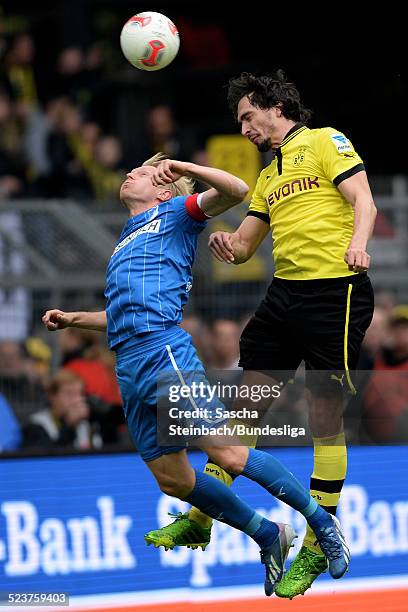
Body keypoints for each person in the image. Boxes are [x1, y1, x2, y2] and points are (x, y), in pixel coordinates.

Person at [42, 153, 350, 597]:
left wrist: (186, 168)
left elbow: (237, 191)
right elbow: (124, 313)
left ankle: (321, 523)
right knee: (174, 479)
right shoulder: (127, 238)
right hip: (127, 360)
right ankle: (268, 533)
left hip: (162, 352)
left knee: (227, 451)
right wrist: (74, 319)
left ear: (164, 189)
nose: (131, 173)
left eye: (143, 173)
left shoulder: (174, 213)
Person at [151, 71, 376, 599]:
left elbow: (363, 200)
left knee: (324, 416)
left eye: (248, 116)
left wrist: (360, 244)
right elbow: (249, 244)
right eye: (240, 122)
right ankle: (203, 519)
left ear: (276, 105)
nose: (245, 128)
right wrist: (229, 243)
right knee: (245, 405)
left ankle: (319, 544)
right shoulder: (270, 174)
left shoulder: (326, 141)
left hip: (335, 291)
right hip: (285, 296)